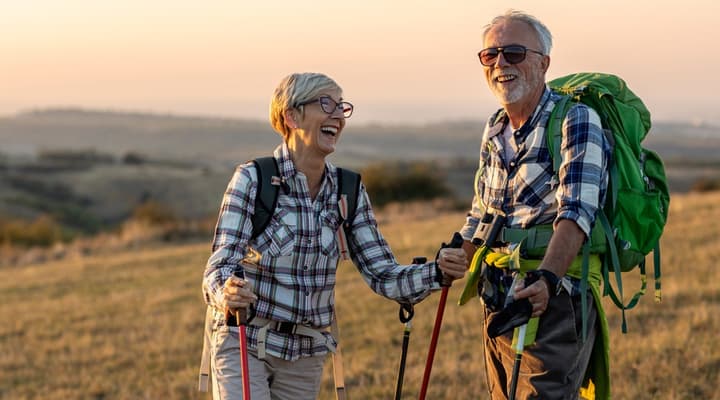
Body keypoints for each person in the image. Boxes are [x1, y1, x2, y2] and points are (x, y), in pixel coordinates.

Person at [201, 72, 468, 400]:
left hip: (305, 354)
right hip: (245, 341)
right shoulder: (253, 179)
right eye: (326, 104)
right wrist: (226, 291)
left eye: (342, 107)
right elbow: (221, 263)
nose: (338, 116)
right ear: (291, 116)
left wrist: (437, 272)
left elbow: (383, 274)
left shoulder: (348, 190)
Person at [458, 10, 612, 399]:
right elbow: (482, 214)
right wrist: (451, 256)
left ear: (544, 63)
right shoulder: (495, 126)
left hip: (555, 298)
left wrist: (547, 278)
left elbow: (577, 213)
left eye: (513, 53)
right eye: (489, 55)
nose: (500, 64)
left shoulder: (575, 120)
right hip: (498, 298)